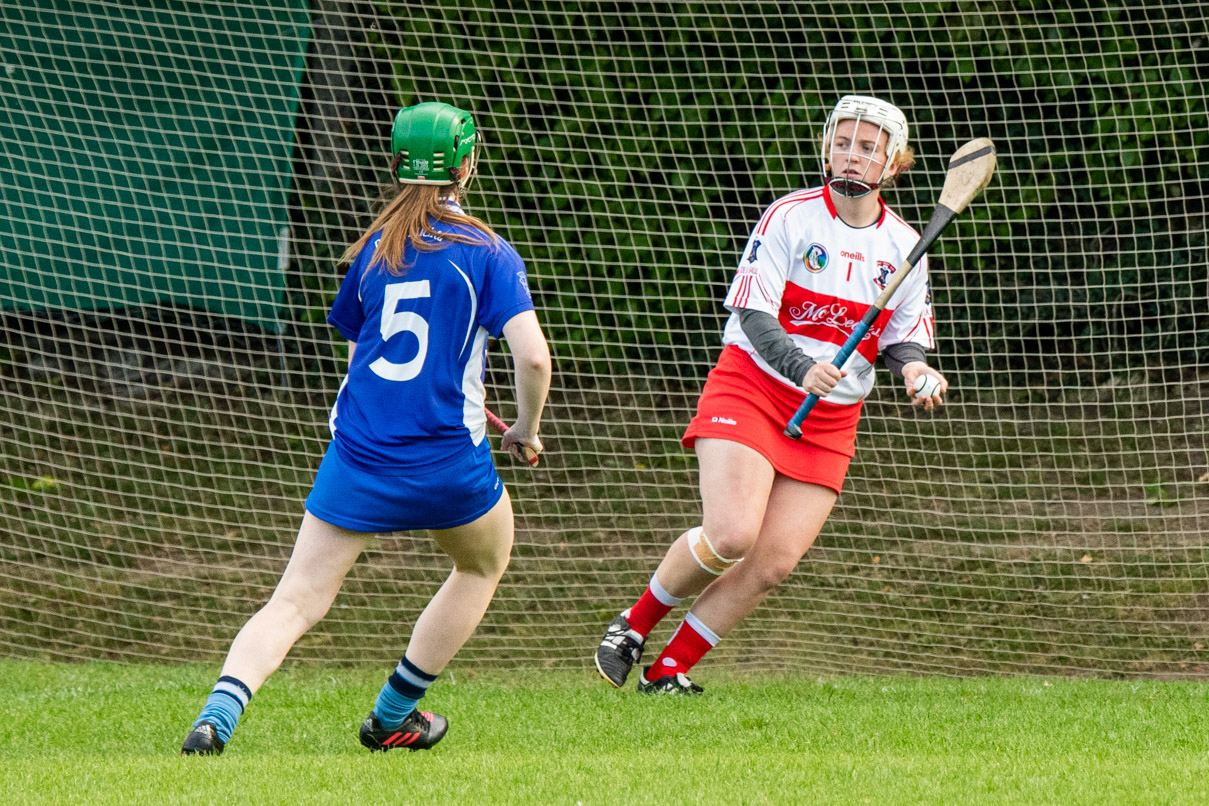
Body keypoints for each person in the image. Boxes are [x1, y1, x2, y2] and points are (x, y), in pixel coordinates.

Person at [180, 101, 550, 753]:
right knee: (481, 567)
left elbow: (361, 358)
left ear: (395, 163)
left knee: (294, 601)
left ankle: (216, 718)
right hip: (446, 463)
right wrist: (523, 426)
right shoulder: (489, 253)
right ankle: (390, 718)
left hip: (359, 454)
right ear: (466, 164)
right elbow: (533, 356)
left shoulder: (376, 252)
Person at [593, 95, 946, 694]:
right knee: (732, 533)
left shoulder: (905, 249)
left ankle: (669, 672)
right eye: (842, 142)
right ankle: (633, 625)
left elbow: (903, 339)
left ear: (893, 163)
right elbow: (754, 313)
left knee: (773, 563)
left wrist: (915, 373)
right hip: (754, 384)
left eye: (866, 148)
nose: (851, 156)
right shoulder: (789, 217)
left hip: (832, 417)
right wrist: (798, 364)